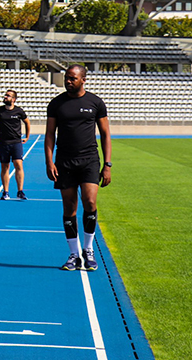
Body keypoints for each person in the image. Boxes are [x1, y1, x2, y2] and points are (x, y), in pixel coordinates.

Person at [45, 64, 112, 272]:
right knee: (69, 208)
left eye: (73, 78)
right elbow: (49, 135)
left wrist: (107, 164)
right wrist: (49, 161)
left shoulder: (95, 102)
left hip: (90, 159)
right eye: (67, 78)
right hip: (64, 161)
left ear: (83, 79)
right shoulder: (56, 104)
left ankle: (88, 249)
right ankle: (73, 254)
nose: (68, 81)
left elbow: (105, 134)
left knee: (90, 202)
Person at [0, 89, 30, 200]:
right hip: (3, 142)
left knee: (18, 165)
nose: (5, 97)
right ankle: (5, 191)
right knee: (5, 167)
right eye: (5, 95)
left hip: (16, 142)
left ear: (14, 99)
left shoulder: (19, 111)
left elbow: (27, 122)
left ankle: (20, 191)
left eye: (8, 96)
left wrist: (27, 136)